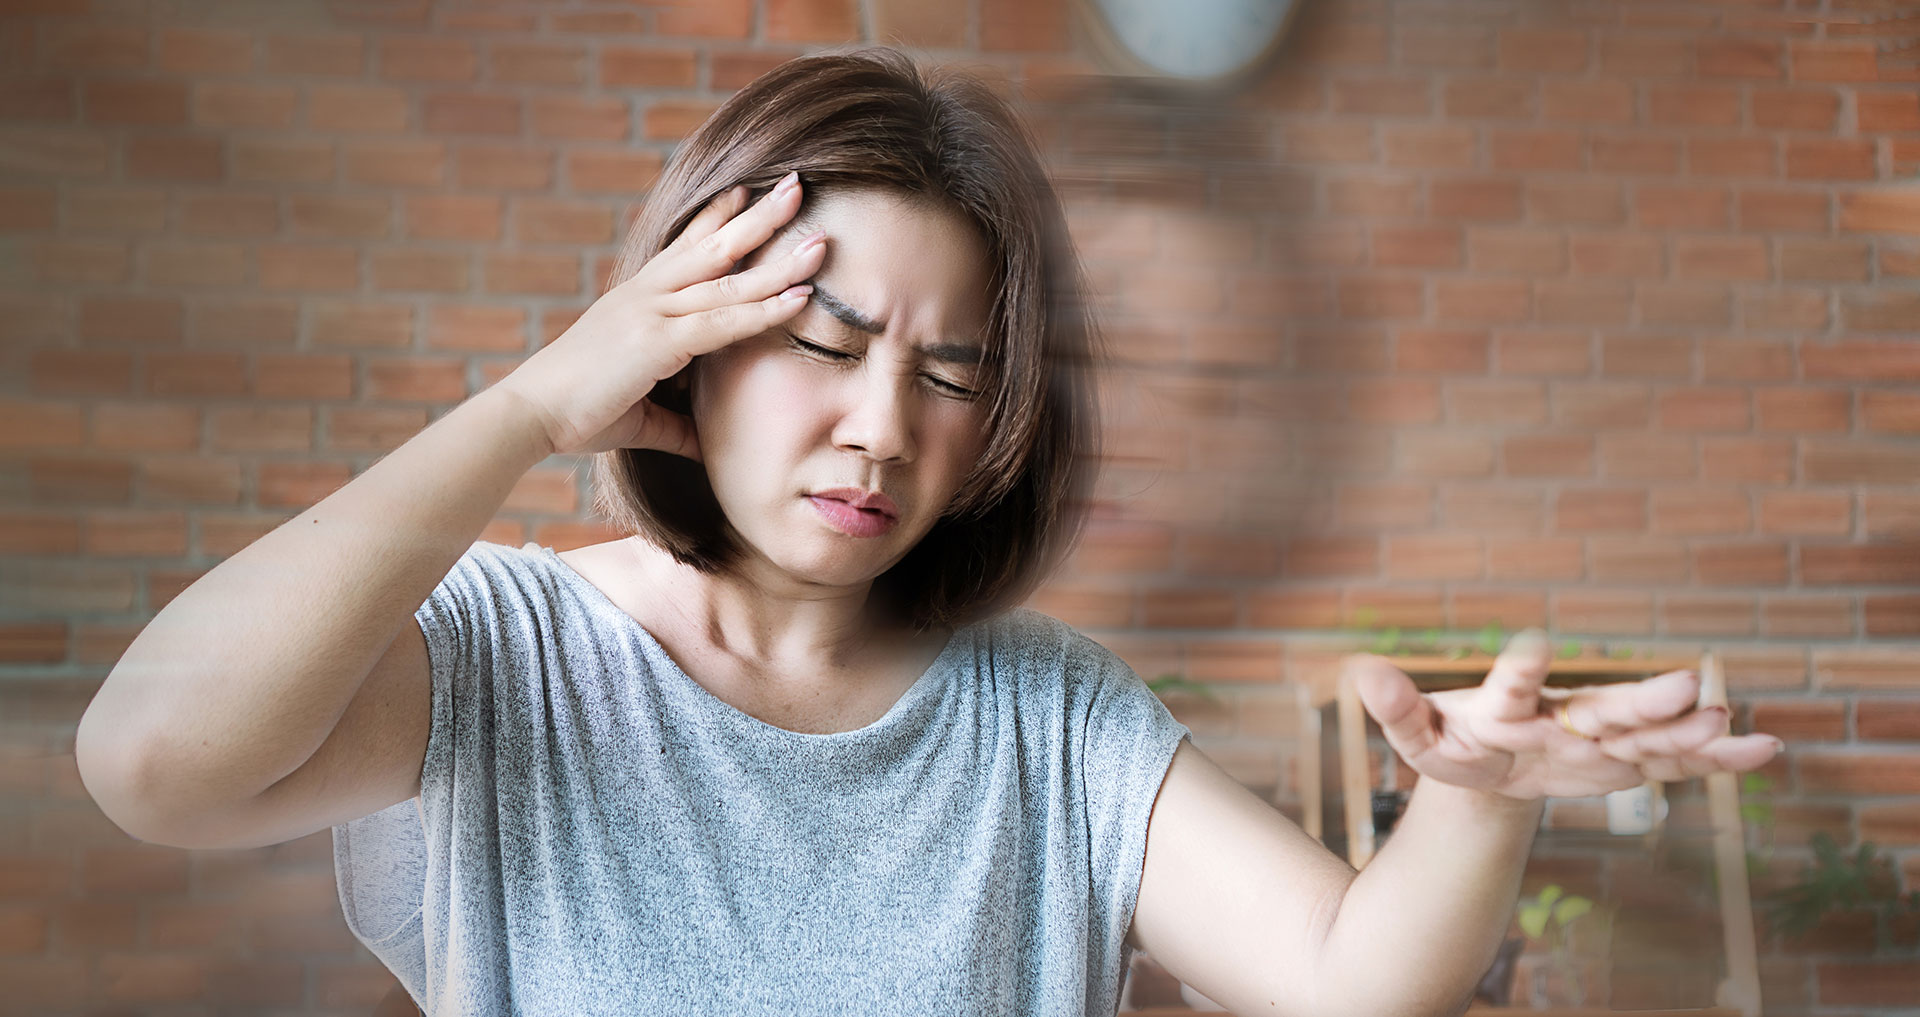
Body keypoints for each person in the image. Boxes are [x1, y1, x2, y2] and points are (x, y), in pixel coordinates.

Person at [74, 49, 1783, 1016]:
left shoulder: (1049, 714)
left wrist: (1474, 798)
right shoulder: (517, 653)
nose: (881, 423)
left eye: (952, 372)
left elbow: (1352, 980)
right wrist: (526, 408)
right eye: (823, 344)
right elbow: (155, 761)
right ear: (685, 341)